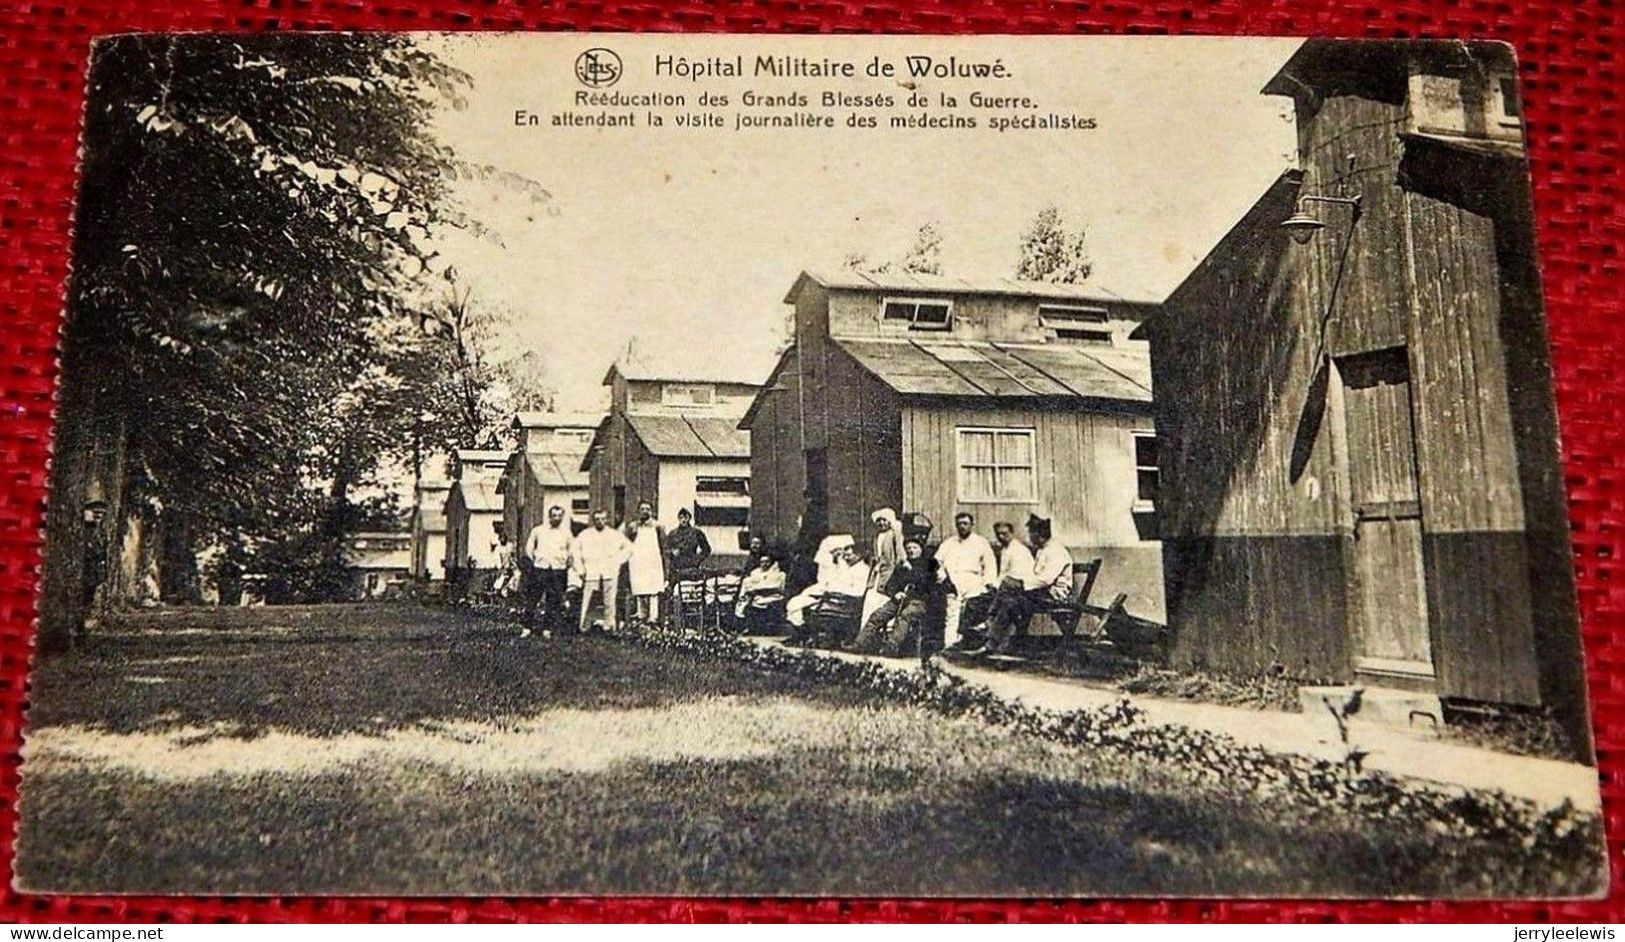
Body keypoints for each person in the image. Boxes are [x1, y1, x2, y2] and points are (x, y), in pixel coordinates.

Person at [972, 514, 1073, 657]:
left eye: (1031, 534)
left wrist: (1022, 584)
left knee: (1007, 583)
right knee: (1008, 602)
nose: (1029, 538)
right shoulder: (1042, 550)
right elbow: (1036, 576)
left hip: (1054, 595)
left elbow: (1045, 580)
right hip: (1040, 593)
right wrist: (1023, 584)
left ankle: (990, 619)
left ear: (1039, 535)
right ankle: (990, 645)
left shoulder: (1056, 551)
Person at [852, 536, 940, 657]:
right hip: (900, 599)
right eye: (908, 548)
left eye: (914, 547)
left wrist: (911, 570)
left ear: (921, 549)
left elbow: (927, 584)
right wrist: (895, 593)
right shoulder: (901, 566)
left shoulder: (929, 564)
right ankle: (859, 644)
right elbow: (890, 585)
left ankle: (890, 646)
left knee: (905, 616)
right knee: (878, 615)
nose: (911, 550)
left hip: (920, 601)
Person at [933, 511, 998, 649]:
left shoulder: (981, 542)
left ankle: (968, 645)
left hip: (973, 581)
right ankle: (949, 647)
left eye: (965, 523)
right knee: (952, 613)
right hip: (951, 581)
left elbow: (990, 565)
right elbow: (937, 563)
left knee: (970, 611)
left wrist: (989, 584)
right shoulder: (949, 543)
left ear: (972, 524)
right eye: (959, 524)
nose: (962, 527)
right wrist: (943, 578)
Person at [571, 509, 630, 632]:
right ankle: (585, 626)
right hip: (591, 571)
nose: (600, 522)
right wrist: (580, 569)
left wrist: (617, 561)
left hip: (609, 571)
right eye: (597, 519)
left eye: (603, 519)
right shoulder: (585, 535)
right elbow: (575, 551)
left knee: (610, 600)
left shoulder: (614, 534)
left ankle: (609, 625)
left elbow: (629, 548)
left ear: (607, 520)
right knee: (588, 598)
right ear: (593, 520)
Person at [785, 534, 854, 635]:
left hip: (837, 595)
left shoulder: (845, 566)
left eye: (839, 550)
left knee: (801, 603)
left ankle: (804, 633)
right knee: (796, 603)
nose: (838, 553)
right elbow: (823, 580)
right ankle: (802, 633)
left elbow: (844, 582)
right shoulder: (828, 565)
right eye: (834, 551)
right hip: (826, 590)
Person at [523, 505, 573, 638]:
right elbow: (529, 548)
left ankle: (547, 629)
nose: (556, 518)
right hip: (540, 568)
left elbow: (571, 551)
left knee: (553, 600)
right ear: (549, 516)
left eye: (559, 516)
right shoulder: (538, 530)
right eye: (554, 515)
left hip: (558, 570)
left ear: (562, 517)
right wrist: (535, 561)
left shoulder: (566, 533)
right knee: (533, 598)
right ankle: (527, 627)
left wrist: (566, 563)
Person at [623, 500, 667, 627]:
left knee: (653, 591)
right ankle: (641, 616)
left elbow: (663, 546)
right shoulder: (633, 527)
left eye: (647, 509)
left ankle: (653, 618)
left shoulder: (658, 526)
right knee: (640, 590)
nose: (645, 512)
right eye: (642, 509)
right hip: (638, 561)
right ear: (638, 511)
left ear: (651, 511)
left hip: (653, 561)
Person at [862, 508, 906, 630]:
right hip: (877, 574)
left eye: (884, 520)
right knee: (871, 599)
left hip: (889, 573)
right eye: (879, 521)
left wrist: (898, 569)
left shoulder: (894, 534)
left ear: (890, 521)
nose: (881, 523)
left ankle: (884, 632)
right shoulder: (876, 537)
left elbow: (900, 554)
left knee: (885, 600)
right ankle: (867, 631)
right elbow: (876, 555)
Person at [734, 551, 788, 632]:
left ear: (771, 562)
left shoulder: (778, 574)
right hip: (758, 595)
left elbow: (778, 587)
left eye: (767, 562)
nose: (764, 564)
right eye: (762, 562)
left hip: (773, 596)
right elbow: (749, 584)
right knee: (746, 602)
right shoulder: (755, 572)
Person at [665, 507, 712, 581]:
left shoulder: (696, 533)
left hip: (691, 568)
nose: (683, 520)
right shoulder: (672, 534)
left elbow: (707, 549)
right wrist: (672, 552)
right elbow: (665, 549)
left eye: (686, 517)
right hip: (676, 567)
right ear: (678, 519)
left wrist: (697, 559)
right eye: (681, 517)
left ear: (689, 518)